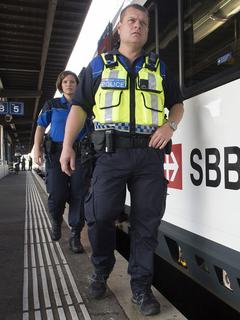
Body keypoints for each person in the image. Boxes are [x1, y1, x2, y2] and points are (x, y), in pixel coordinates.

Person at [60, 4, 184, 316]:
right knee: (100, 216)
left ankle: (141, 288)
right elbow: (79, 107)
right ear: (119, 27)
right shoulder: (99, 66)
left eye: (143, 22)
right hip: (109, 154)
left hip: (149, 156)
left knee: (146, 224)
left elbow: (177, 104)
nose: (138, 26)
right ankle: (101, 269)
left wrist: (170, 125)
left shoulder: (159, 68)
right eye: (132, 20)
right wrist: (67, 146)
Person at [33, 70, 92, 254]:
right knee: (57, 194)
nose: (69, 84)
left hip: (81, 153)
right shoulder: (52, 104)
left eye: (73, 81)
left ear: (77, 84)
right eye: (65, 81)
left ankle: (75, 235)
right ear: (61, 85)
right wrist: (37, 147)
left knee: (79, 195)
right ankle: (56, 220)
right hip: (55, 154)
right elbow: (41, 126)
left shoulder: (85, 105)